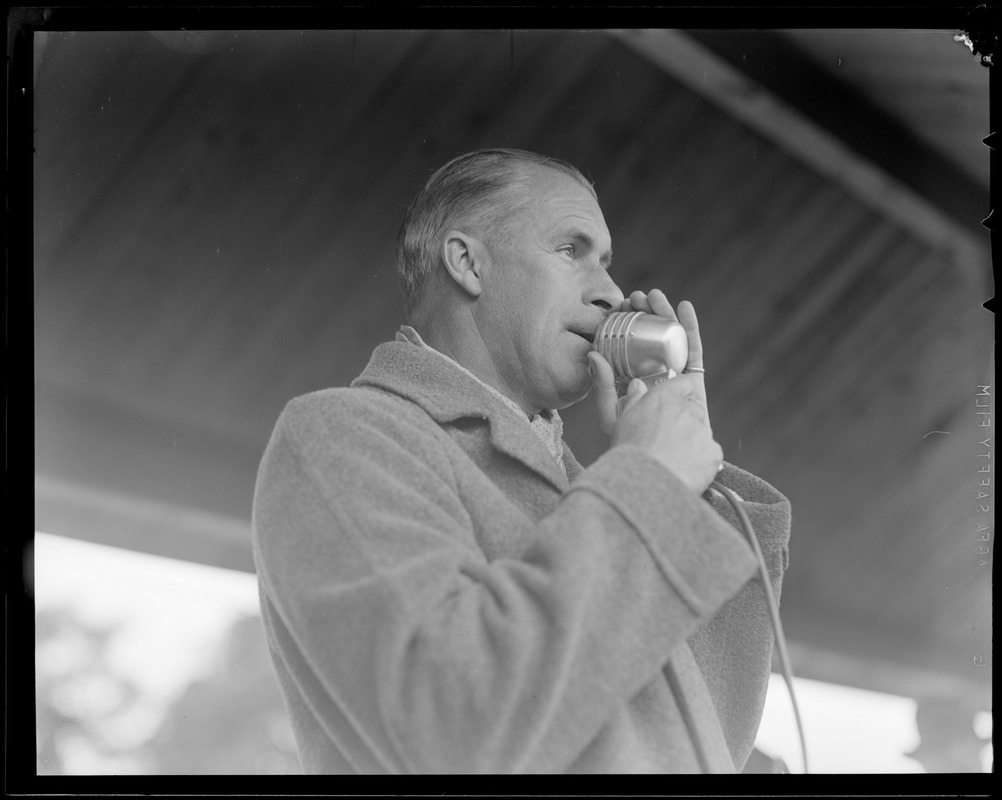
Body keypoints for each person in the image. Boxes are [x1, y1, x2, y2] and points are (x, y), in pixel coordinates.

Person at [252, 148, 791, 774]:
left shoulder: (601, 492)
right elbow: (452, 724)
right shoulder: (342, 435)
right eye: (572, 249)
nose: (613, 291)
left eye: (608, 261)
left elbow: (707, 740)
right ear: (467, 264)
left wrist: (687, 488)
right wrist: (652, 484)